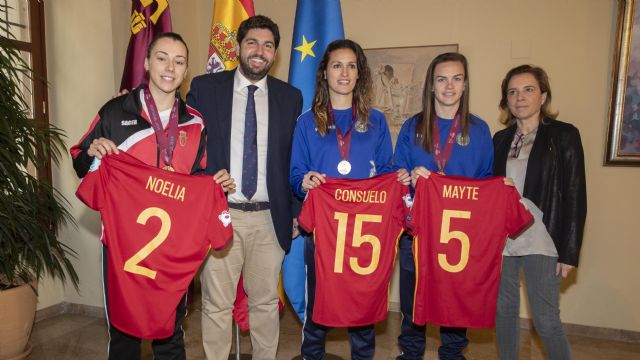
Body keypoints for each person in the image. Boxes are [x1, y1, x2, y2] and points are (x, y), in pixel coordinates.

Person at [70, 32, 232, 360]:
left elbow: (199, 178)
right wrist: (94, 151)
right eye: (161, 58)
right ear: (146, 63)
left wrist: (215, 184)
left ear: (186, 70)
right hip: (121, 244)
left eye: (179, 61)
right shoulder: (116, 111)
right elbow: (78, 159)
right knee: (124, 335)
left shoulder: (196, 122)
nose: (169, 67)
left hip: (173, 246)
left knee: (170, 331)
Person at [187, 15, 303, 360]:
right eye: (252, 42)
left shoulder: (290, 97)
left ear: (275, 54)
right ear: (238, 46)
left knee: (266, 303)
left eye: (268, 45)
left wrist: (296, 212)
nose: (259, 51)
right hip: (222, 215)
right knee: (216, 305)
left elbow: (293, 159)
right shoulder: (205, 89)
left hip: (270, 219)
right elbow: (185, 142)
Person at [290, 39, 410, 360]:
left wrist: (396, 179)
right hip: (324, 230)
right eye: (337, 65)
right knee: (317, 307)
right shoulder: (306, 122)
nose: (344, 72)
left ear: (360, 74)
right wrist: (304, 182)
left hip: (367, 230)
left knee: (363, 310)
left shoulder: (376, 121)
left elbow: (387, 170)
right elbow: (296, 173)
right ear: (324, 74)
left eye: (351, 65)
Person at [393, 52, 494, 360]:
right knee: (412, 299)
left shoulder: (479, 130)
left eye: (456, 78)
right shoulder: (412, 127)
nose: (449, 86)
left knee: (455, 299)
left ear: (465, 85)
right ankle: (410, 353)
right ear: (431, 86)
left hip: (458, 236)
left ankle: (452, 354)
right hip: (417, 232)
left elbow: (485, 183)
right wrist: (407, 177)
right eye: (441, 79)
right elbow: (397, 177)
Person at [492, 64, 586, 360]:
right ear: (506, 100)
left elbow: (575, 193)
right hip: (503, 240)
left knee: (546, 320)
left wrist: (569, 252)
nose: (520, 97)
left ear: (543, 96)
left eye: (528, 89)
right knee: (504, 313)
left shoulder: (564, 135)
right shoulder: (500, 139)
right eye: (513, 92)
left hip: (543, 240)